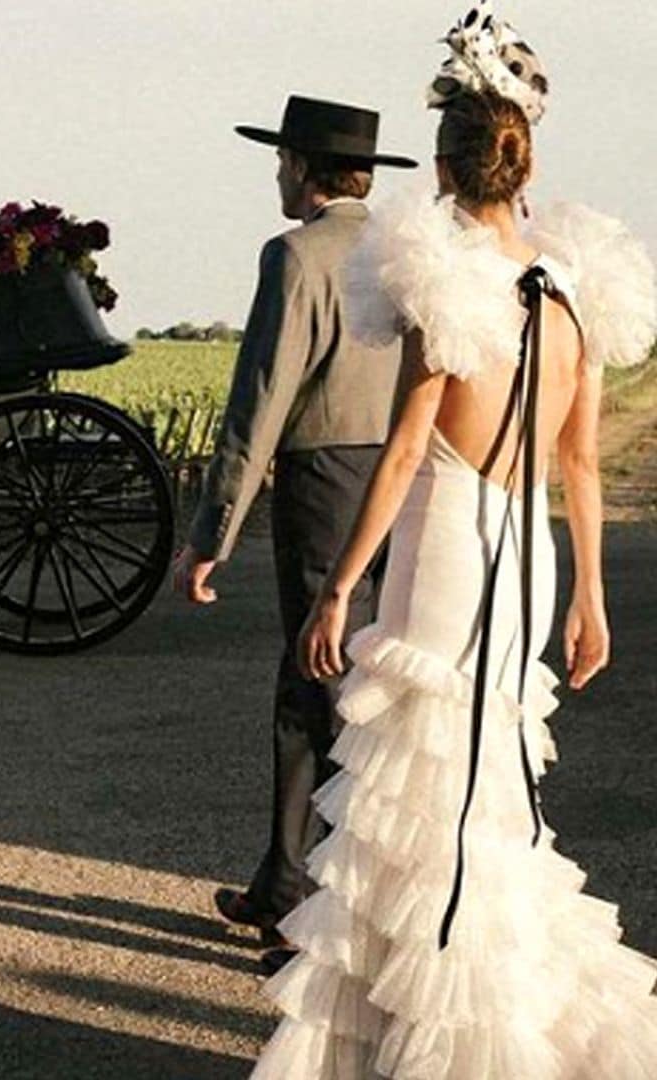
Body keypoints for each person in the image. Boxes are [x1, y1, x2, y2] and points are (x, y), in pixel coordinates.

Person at [251, 4, 657, 1076]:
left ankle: (440, 1036)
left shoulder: (446, 280)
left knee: (418, 791)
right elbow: (580, 464)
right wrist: (591, 601)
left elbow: (400, 455)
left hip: (443, 548)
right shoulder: (574, 288)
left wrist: (338, 588)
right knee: (488, 791)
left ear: (445, 163)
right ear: (519, 165)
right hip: (525, 557)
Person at [172, 95, 416, 974]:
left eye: (281, 160)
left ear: (306, 168)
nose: (276, 174)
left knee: (315, 693)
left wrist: (213, 531)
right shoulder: (402, 253)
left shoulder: (295, 256)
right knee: (352, 688)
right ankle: (287, 885)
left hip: (324, 485)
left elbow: (260, 403)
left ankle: (303, 911)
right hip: (406, 483)